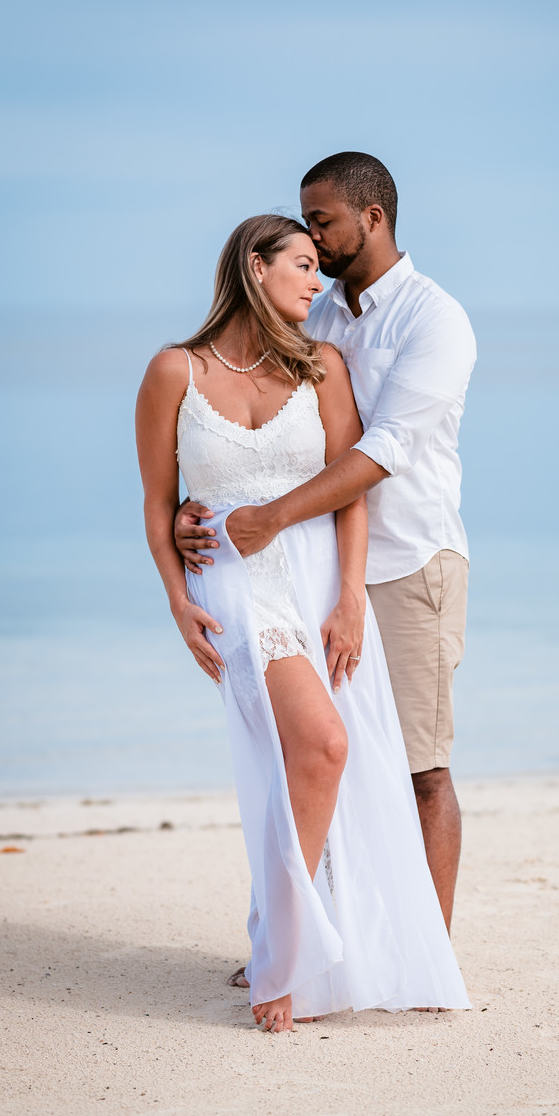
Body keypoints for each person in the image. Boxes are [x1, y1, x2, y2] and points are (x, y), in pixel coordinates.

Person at [136, 213, 470, 1032]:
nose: (316, 282)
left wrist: (350, 594)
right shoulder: (172, 370)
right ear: (255, 266)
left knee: (341, 758)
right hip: (234, 586)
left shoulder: (323, 361)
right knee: (321, 746)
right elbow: (156, 500)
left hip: (321, 575)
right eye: (302, 262)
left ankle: (308, 944)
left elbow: (355, 480)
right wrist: (179, 596)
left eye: (322, 262)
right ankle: (282, 959)